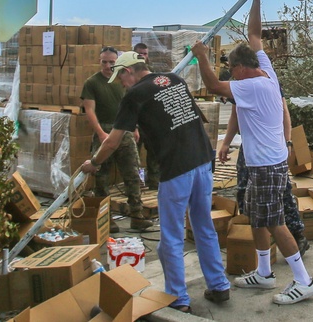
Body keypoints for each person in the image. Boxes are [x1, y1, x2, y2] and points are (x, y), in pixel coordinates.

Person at [193, 0, 313, 306]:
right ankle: (263, 273)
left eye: (231, 69)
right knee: (256, 214)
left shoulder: (251, 86)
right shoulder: (264, 70)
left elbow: (212, 85)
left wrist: (201, 56)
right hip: (264, 161)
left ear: (239, 67)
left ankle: (304, 281)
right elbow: (254, 34)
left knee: (274, 222)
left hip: (266, 166)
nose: (230, 75)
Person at [82, 51, 230, 313]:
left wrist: (94, 162)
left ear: (129, 71)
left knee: (171, 237)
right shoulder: (174, 79)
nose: (121, 84)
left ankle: (178, 298)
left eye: (121, 78)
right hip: (203, 160)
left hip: (177, 168)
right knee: (203, 226)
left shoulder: (135, 95)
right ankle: (219, 285)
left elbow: (113, 141)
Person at [219, 107, 310, 256]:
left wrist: (287, 141)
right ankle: (253, 241)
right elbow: (236, 113)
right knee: (244, 191)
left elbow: (283, 111)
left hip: (271, 143)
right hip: (249, 145)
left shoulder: (269, 83)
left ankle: (297, 235)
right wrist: (226, 142)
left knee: (280, 191)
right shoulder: (241, 85)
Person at [80, 46, 150, 232]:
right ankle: (106, 219)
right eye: (104, 61)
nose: (108, 65)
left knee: (132, 174)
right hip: (104, 129)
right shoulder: (92, 83)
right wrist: (101, 133)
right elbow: (90, 110)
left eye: (112, 62)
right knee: (101, 178)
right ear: (99, 61)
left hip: (124, 130)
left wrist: (134, 127)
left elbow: (132, 105)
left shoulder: (123, 80)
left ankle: (137, 215)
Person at [132, 41, 160, 191]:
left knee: (154, 153)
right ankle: (137, 183)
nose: (143, 57)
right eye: (140, 54)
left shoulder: (153, 72)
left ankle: (154, 182)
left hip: (151, 121)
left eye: (145, 54)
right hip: (137, 120)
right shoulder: (131, 74)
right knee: (134, 154)